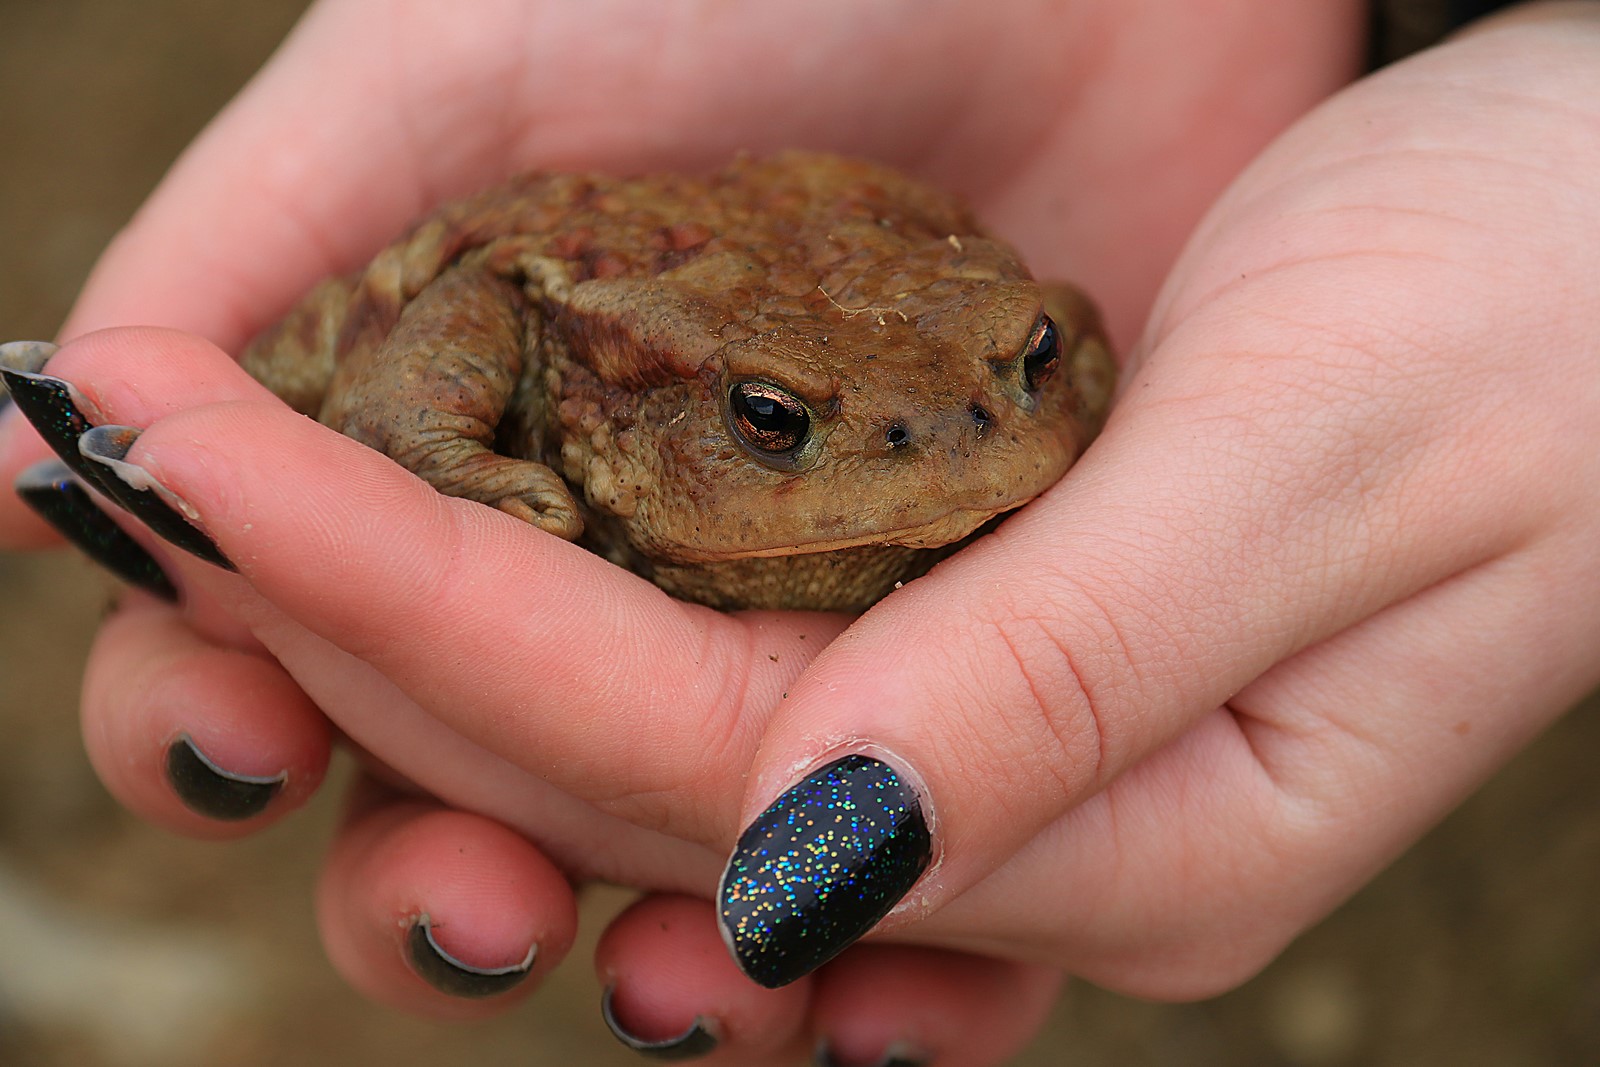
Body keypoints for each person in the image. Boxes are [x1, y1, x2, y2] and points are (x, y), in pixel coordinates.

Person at [3, 2, 1597, 1064]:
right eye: (778, 425)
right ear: (723, 413)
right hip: (579, 289)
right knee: (274, 475)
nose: (954, 446)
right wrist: (425, 444)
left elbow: (1074, 327)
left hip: (867, 274)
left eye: (1023, 377)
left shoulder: (1011, 345)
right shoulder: (582, 343)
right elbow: (491, 287)